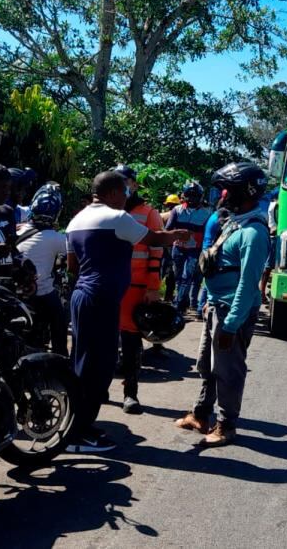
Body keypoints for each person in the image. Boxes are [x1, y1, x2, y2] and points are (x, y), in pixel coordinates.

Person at [65, 171, 189, 453]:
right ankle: (79, 434)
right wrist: (177, 235)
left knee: (84, 362)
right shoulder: (117, 218)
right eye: (123, 193)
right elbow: (154, 239)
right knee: (101, 364)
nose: (127, 197)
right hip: (102, 298)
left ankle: (78, 424)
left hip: (82, 296)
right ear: (110, 193)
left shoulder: (76, 220)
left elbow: (72, 266)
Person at [175, 162, 270, 446]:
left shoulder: (254, 232)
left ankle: (226, 425)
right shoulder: (233, 222)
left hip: (232, 312)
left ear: (242, 192)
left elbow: (247, 283)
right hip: (217, 306)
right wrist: (209, 302)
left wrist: (230, 325)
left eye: (226, 189)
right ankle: (202, 413)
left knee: (228, 369)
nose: (222, 195)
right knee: (207, 364)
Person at [112, 165, 166, 415]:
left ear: (133, 184)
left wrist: (153, 287)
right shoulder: (106, 211)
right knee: (107, 340)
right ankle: (102, 387)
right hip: (109, 285)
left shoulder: (148, 213)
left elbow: (156, 251)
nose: (120, 185)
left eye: (124, 181)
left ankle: (130, 393)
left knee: (131, 341)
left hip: (135, 288)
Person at [18, 183, 70, 355]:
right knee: (60, 319)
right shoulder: (55, 238)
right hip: (40, 292)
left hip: (15, 292)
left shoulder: (18, 229)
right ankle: (60, 356)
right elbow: (76, 251)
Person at [166, 182, 212, 316]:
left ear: (200, 196)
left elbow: (208, 233)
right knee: (179, 277)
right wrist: (179, 234)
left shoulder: (207, 213)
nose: (192, 198)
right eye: (189, 195)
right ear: (184, 196)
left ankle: (178, 305)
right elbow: (168, 229)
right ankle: (182, 301)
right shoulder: (177, 210)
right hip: (178, 248)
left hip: (195, 250)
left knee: (187, 277)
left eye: (195, 195)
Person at [161, 193, 182, 302]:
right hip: (174, 247)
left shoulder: (161, 215)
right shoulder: (180, 214)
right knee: (171, 274)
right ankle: (168, 297)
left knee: (160, 271)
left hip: (162, 246)